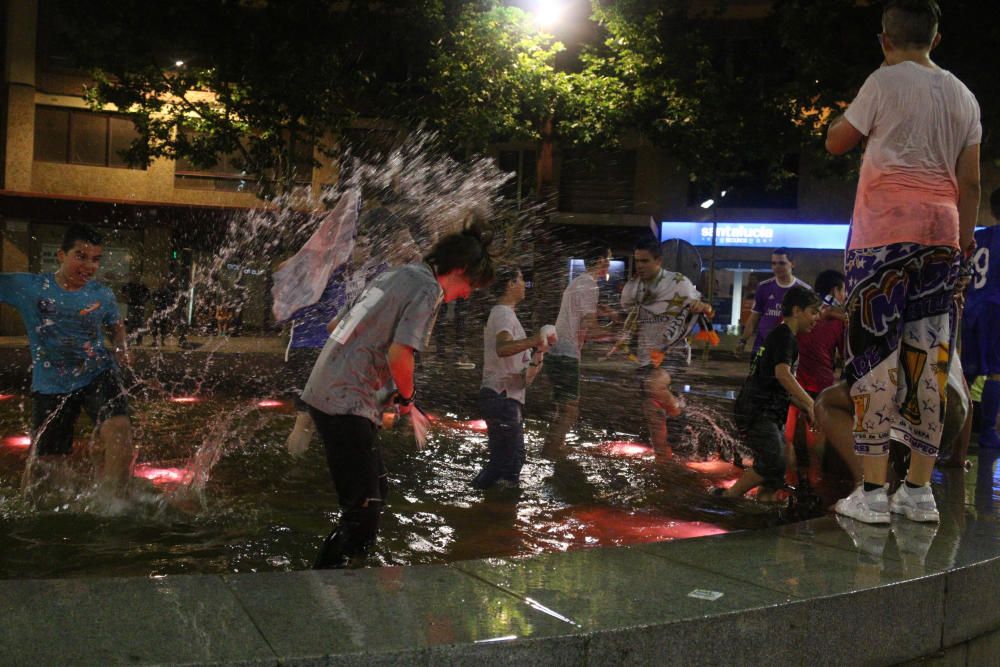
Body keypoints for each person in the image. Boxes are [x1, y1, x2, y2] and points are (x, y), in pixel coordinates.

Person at [825, 0, 980, 524]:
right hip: (942, 237)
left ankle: (871, 493)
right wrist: (962, 246)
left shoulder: (883, 80)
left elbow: (836, 141)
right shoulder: (963, 96)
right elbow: (972, 183)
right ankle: (918, 491)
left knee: (874, 361)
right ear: (936, 39)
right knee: (928, 363)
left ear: (886, 41)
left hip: (881, 240)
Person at [301, 223, 495, 568]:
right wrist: (407, 399)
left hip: (327, 392)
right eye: (470, 286)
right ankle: (326, 589)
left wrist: (384, 388)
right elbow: (399, 354)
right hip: (346, 402)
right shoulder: (427, 290)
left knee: (374, 495)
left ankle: (351, 575)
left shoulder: (397, 274)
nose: (467, 295)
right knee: (362, 510)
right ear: (460, 270)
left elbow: (336, 328)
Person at [0, 224, 135, 496]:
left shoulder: (101, 294)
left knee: (119, 429)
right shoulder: (31, 287)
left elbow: (115, 324)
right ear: (61, 255)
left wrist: (121, 350)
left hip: (96, 372)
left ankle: (114, 505)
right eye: (81, 256)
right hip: (52, 384)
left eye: (96, 259)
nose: (89, 265)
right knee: (46, 465)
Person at [724, 285, 821, 499]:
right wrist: (811, 404)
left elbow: (780, 384)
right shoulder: (784, 336)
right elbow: (783, 375)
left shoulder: (783, 336)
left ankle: (764, 506)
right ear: (797, 311)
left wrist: (805, 407)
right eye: (813, 312)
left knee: (776, 472)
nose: (817, 318)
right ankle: (728, 498)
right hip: (758, 411)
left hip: (764, 411)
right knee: (773, 460)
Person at [620, 237, 713, 459]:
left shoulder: (679, 282)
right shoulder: (632, 288)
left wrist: (703, 307)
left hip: (673, 351)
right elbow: (627, 317)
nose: (639, 266)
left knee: (655, 386)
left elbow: (707, 310)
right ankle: (664, 464)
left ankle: (680, 415)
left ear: (659, 260)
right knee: (654, 419)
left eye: (645, 261)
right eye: (637, 261)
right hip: (645, 357)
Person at [283, 233, 375, 456]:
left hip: (314, 351)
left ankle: (298, 465)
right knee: (306, 417)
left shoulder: (329, 271)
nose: (368, 251)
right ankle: (294, 467)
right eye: (362, 245)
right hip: (310, 352)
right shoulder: (330, 271)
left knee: (313, 417)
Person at [471, 266, 551, 490]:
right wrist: (535, 340)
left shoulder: (509, 315)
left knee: (512, 462)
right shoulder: (503, 313)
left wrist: (539, 353)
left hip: (507, 398)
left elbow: (524, 377)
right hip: (501, 397)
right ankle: (473, 510)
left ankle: (497, 513)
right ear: (510, 284)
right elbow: (503, 348)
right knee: (502, 463)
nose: (525, 284)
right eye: (521, 279)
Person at [542, 243, 613, 458]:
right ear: (600, 261)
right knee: (570, 410)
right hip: (566, 354)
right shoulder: (591, 286)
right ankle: (551, 455)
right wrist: (615, 336)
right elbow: (589, 327)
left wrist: (606, 312)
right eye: (608, 259)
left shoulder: (577, 283)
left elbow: (581, 312)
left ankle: (551, 450)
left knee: (563, 408)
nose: (609, 264)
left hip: (555, 351)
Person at [785, 269, 847, 487]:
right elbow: (845, 355)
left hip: (791, 384)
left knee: (787, 437)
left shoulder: (800, 313)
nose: (844, 296)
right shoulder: (838, 321)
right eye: (843, 291)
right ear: (835, 290)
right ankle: (815, 480)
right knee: (816, 438)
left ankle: (788, 481)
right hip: (820, 386)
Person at [961, 187, 1000, 448]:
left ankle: (952, 430)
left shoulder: (978, 237)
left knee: (967, 373)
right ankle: (988, 432)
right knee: (997, 372)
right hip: (996, 307)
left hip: (971, 306)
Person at [741, 248, 809, 356]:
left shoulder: (804, 290)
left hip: (789, 348)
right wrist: (743, 341)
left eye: (782, 263)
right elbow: (754, 318)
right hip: (763, 346)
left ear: (792, 264)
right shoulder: (763, 287)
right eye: (774, 263)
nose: (777, 267)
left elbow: (808, 323)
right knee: (758, 372)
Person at [121, 273, 149, 346]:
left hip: (139, 307)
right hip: (132, 306)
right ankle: (129, 340)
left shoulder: (142, 286)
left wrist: (143, 301)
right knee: (131, 323)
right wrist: (127, 299)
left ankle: (138, 341)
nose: (136, 279)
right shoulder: (130, 285)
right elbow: (123, 291)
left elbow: (148, 295)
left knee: (139, 323)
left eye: (138, 278)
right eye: (135, 277)